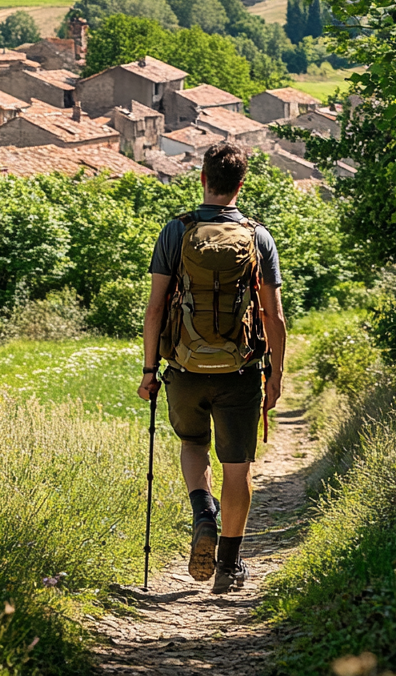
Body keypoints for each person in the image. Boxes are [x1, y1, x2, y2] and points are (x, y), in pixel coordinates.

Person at [138, 140, 286, 594]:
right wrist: (276, 374)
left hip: (183, 369)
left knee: (192, 444)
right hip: (240, 371)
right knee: (237, 468)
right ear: (241, 184)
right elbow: (273, 316)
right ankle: (229, 565)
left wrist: (149, 371)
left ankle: (204, 512)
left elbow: (155, 309)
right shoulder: (258, 236)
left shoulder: (175, 232)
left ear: (202, 178)